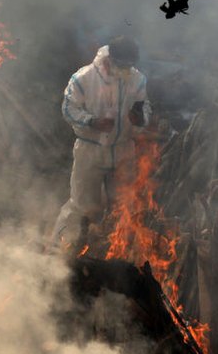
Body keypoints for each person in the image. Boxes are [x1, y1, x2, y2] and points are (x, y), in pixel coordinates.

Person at [50, 35, 152, 252]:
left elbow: (145, 108)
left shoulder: (137, 79)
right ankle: (60, 249)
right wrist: (92, 121)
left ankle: (114, 250)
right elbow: (68, 109)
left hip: (123, 150)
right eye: (122, 65)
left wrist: (140, 118)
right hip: (91, 150)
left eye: (130, 66)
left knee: (124, 205)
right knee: (82, 205)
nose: (126, 70)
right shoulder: (84, 78)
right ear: (110, 58)